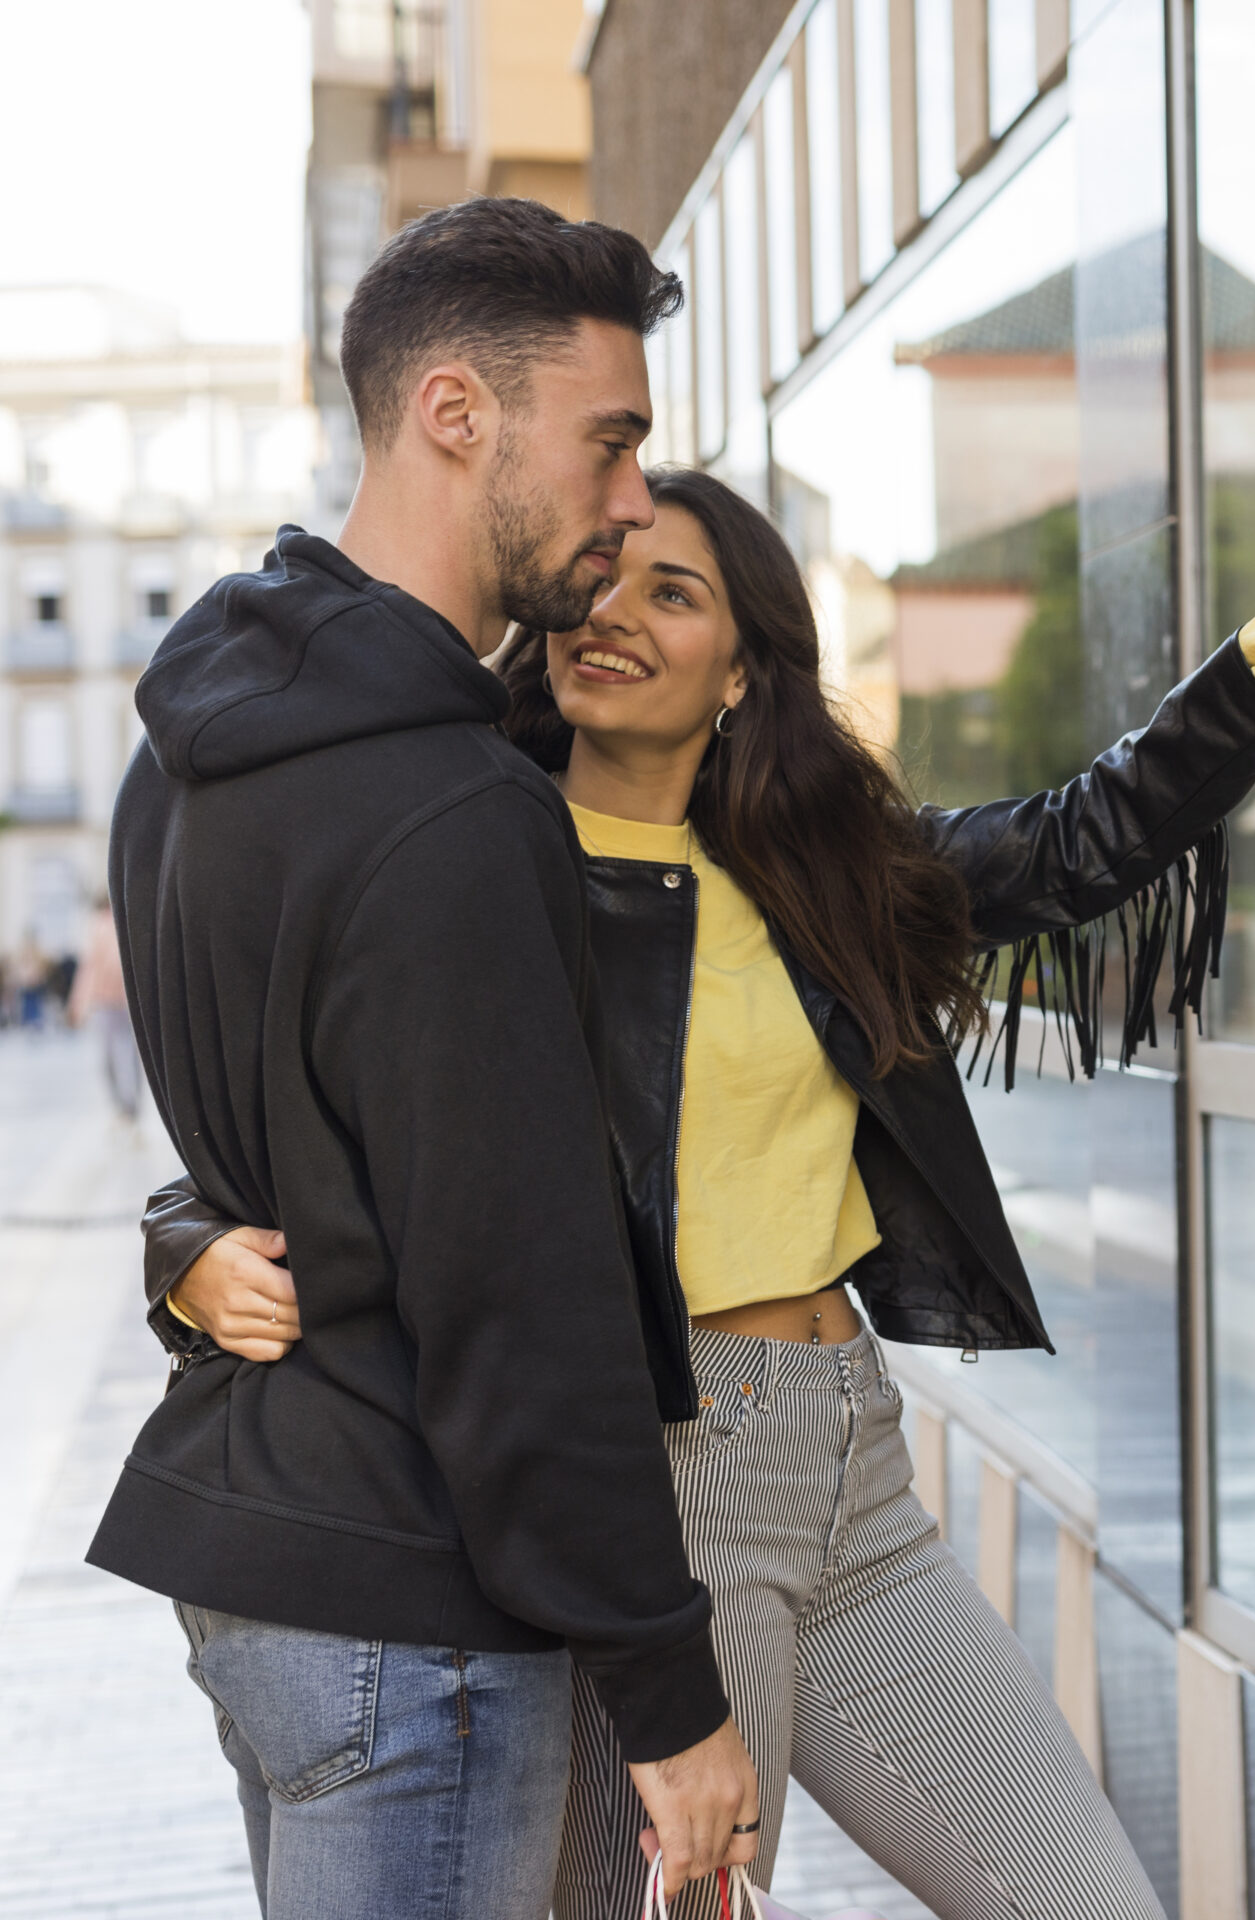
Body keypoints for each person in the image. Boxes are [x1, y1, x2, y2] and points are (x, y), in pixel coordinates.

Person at [159, 462, 1255, 1917]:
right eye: (602, 579)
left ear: (743, 665)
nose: (616, 613)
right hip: (666, 1470)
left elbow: (1080, 840)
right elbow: (320, 1103)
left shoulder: (813, 869)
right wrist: (188, 1238)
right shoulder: (482, 856)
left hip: (856, 1471)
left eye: (677, 591)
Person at [90, 199, 758, 1920]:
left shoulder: (187, 754)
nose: (630, 498)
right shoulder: (458, 813)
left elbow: (279, 1148)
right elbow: (522, 1297)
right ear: (456, 413)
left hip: (262, 1570)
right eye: (610, 443)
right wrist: (675, 1709)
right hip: (415, 1618)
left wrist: (182, 1249)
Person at [65, 897, 140, 1121]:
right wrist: (78, 1004)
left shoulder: (111, 926)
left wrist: (78, 1005)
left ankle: (128, 1103)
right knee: (119, 1055)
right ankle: (126, 1104)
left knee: (121, 1056)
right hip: (115, 1001)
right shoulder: (109, 926)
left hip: (117, 1002)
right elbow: (91, 969)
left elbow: (90, 969)